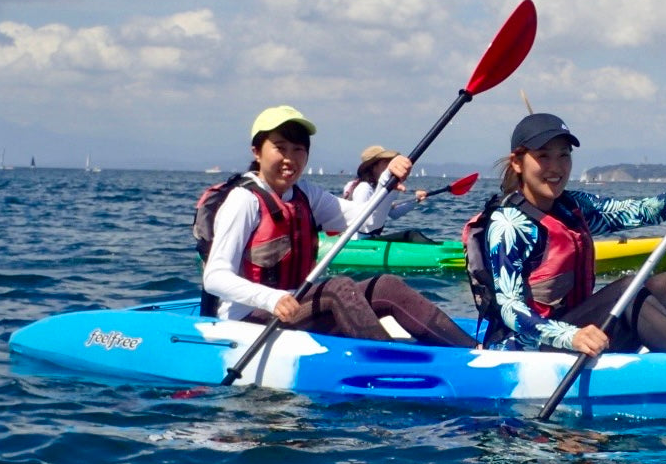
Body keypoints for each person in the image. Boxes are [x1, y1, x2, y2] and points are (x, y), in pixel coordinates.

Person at [463, 112, 666, 355]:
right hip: (529, 348)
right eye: (543, 156)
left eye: (564, 156)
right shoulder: (509, 225)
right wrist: (570, 337)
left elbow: (638, 211)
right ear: (518, 162)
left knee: (663, 283)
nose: (556, 167)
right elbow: (511, 310)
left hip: (582, 334)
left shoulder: (573, 206)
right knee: (627, 291)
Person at [201, 106, 476, 348]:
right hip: (248, 320)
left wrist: (386, 182)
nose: (290, 158)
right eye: (280, 148)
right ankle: (385, 362)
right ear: (257, 152)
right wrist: (270, 298)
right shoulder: (243, 200)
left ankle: (475, 351)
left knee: (386, 286)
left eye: (298, 150)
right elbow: (214, 277)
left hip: (294, 309)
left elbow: (368, 221)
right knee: (337, 288)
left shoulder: (305, 195)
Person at [342, 145, 430, 241]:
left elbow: (394, 214)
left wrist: (415, 200)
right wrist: (383, 204)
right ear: (373, 167)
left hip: (369, 239)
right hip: (359, 241)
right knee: (412, 235)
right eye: (385, 162)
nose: (390, 165)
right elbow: (362, 223)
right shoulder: (364, 188)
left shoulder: (375, 188)